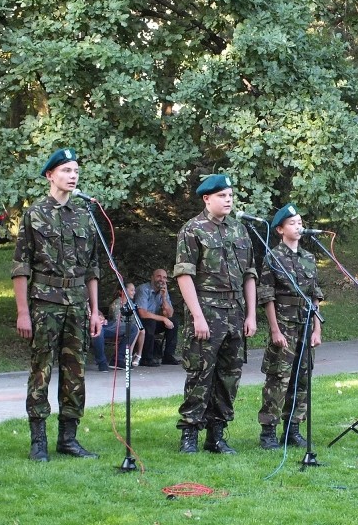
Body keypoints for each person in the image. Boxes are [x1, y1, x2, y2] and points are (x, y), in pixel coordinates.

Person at [12, 148, 103, 461]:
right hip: (45, 302)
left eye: (75, 170)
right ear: (50, 175)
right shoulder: (34, 213)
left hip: (77, 304)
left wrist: (95, 310)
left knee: (75, 371)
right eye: (65, 170)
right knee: (41, 369)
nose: (72, 175)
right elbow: (21, 266)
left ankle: (69, 438)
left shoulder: (85, 215)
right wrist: (23, 312)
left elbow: (92, 268)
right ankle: (38, 440)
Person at [173, 174, 257, 454]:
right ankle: (190, 433)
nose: (228, 200)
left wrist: (251, 315)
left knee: (229, 375)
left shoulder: (239, 230)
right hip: (207, 309)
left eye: (230, 195)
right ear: (207, 199)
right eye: (222, 195)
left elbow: (249, 275)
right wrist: (197, 316)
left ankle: (217, 435)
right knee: (200, 373)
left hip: (235, 312)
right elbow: (184, 275)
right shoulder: (193, 229)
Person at [257, 203, 324, 449]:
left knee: (302, 377)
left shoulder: (309, 258)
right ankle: (268, 432)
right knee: (278, 378)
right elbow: (267, 295)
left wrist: (317, 328)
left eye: (300, 222)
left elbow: (315, 294)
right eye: (293, 223)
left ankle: (293, 428)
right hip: (284, 323)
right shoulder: (273, 257)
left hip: (305, 323)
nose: (299, 227)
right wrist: (274, 329)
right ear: (280, 230)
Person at [92, 283, 144, 371]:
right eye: (131, 290)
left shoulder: (129, 304)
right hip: (93, 325)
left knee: (133, 328)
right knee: (99, 330)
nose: (134, 292)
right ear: (123, 292)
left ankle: (118, 359)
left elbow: (97, 311)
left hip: (105, 325)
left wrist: (100, 316)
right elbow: (117, 321)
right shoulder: (117, 303)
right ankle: (102, 362)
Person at [135, 269, 180, 366]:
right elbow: (142, 313)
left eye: (164, 277)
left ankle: (168, 356)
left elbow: (169, 314)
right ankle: (146, 358)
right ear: (152, 277)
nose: (162, 279)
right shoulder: (143, 289)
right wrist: (163, 319)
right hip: (139, 323)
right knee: (150, 322)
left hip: (152, 323)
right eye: (159, 276)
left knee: (174, 322)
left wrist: (164, 298)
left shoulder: (163, 291)